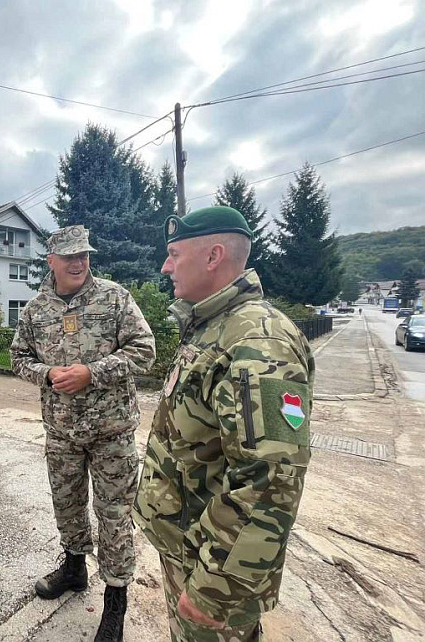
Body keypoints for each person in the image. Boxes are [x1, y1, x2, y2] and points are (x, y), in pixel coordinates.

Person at [133, 206, 315, 642]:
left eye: (174, 254)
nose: (165, 266)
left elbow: (269, 480)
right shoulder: (213, 325)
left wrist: (216, 589)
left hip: (214, 566)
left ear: (213, 256)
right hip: (192, 545)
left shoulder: (256, 340)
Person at [10, 225, 156, 642]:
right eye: (70, 256)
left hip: (112, 432)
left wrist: (93, 372)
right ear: (51, 261)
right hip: (61, 431)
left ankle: (115, 602)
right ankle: (74, 570)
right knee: (67, 506)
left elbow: (144, 350)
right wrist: (48, 373)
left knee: (114, 517)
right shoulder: (36, 309)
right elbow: (20, 358)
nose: (79, 262)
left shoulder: (114, 297)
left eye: (85, 255)